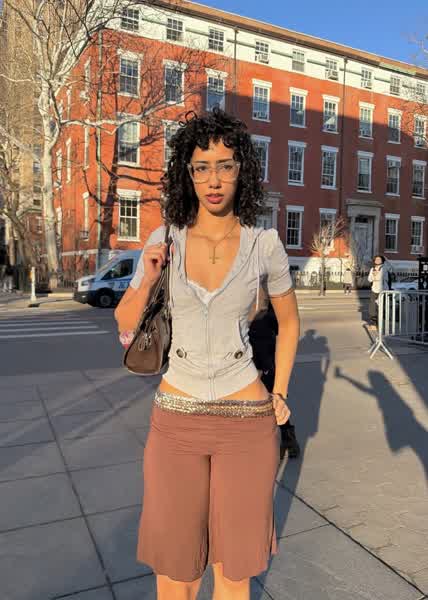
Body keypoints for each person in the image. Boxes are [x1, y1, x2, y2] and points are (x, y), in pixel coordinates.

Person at [114, 108, 300, 600]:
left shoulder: (264, 244)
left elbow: (289, 323)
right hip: (175, 423)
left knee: (234, 573)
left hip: (247, 424)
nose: (213, 180)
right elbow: (125, 322)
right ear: (188, 173)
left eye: (225, 165)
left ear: (243, 170)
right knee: (177, 573)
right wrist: (149, 276)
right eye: (201, 167)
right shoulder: (164, 240)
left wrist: (280, 391)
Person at [248, 293, 300, 460]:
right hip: (256, 350)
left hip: (262, 351)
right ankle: (285, 439)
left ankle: (286, 439)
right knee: (262, 396)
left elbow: (282, 324)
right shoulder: (262, 294)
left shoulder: (267, 294)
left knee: (270, 397)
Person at [367, 255, 389, 330]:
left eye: (379, 259)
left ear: (382, 260)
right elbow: (369, 279)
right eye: (376, 259)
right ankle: (373, 323)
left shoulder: (384, 268)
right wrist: (374, 276)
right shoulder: (372, 269)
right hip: (374, 290)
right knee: (372, 307)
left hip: (382, 290)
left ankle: (380, 324)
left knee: (381, 307)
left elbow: (380, 277)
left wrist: (375, 275)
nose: (377, 260)